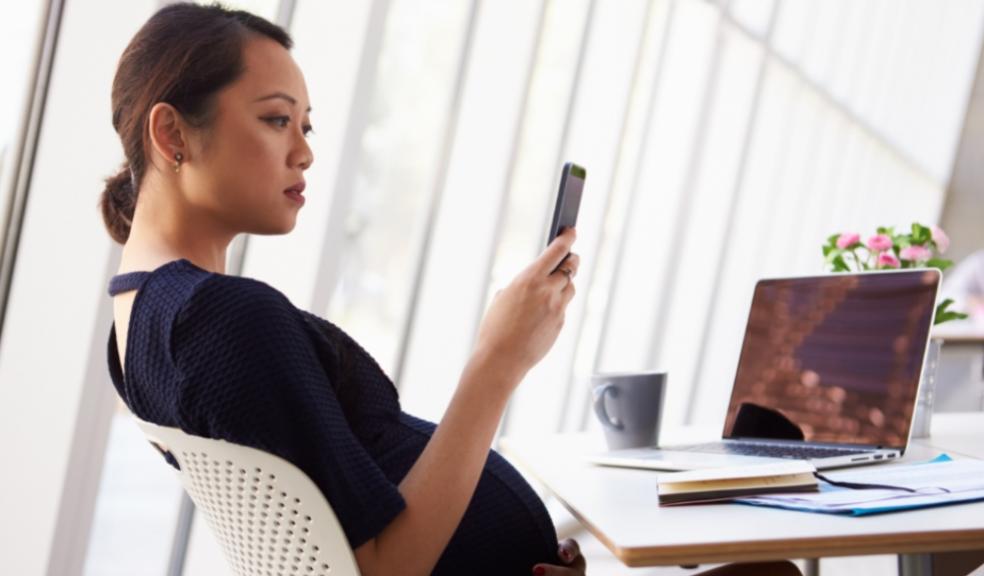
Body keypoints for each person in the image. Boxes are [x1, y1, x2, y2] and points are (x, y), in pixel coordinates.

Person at [100, 4, 799, 575]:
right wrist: (498, 361)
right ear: (171, 134)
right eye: (277, 119)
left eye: (305, 126)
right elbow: (379, 570)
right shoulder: (220, 320)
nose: (305, 151)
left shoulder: (141, 322)